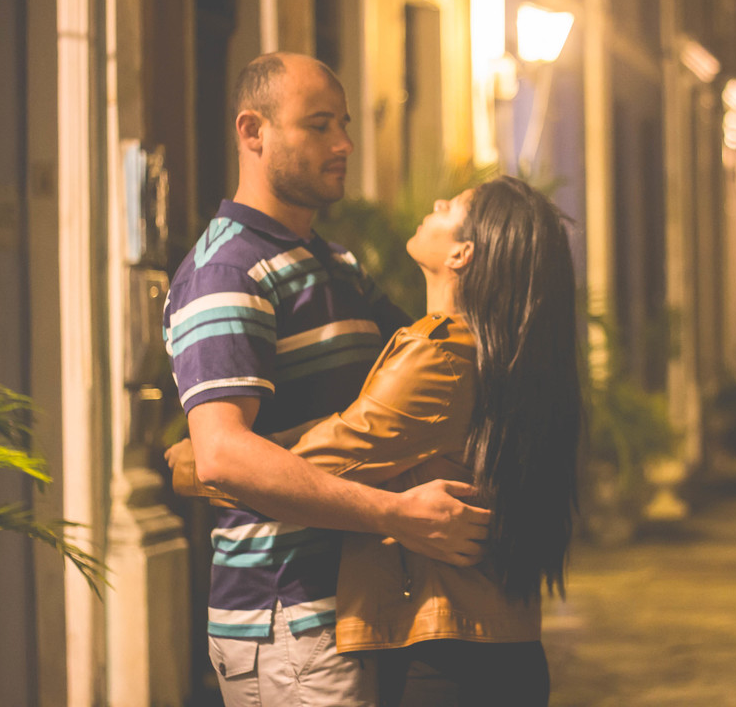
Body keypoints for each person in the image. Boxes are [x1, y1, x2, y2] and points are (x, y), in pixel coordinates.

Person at [170, 175, 583, 705]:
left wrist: (200, 460)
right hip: (496, 646)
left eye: (449, 205)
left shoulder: (439, 357)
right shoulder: (491, 354)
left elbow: (306, 469)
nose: (434, 202)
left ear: (462, 253)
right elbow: (359, 429)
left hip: (449, 661)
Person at [162, 51, 490, 706]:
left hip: (354, 608)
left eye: (343, 123)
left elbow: (411, 383)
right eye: (318, 125)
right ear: (252, 132)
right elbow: (224, 453)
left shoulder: (332, 261)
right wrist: (396, 513)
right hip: (289, 620)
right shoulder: (229, 272)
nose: (343, 143)